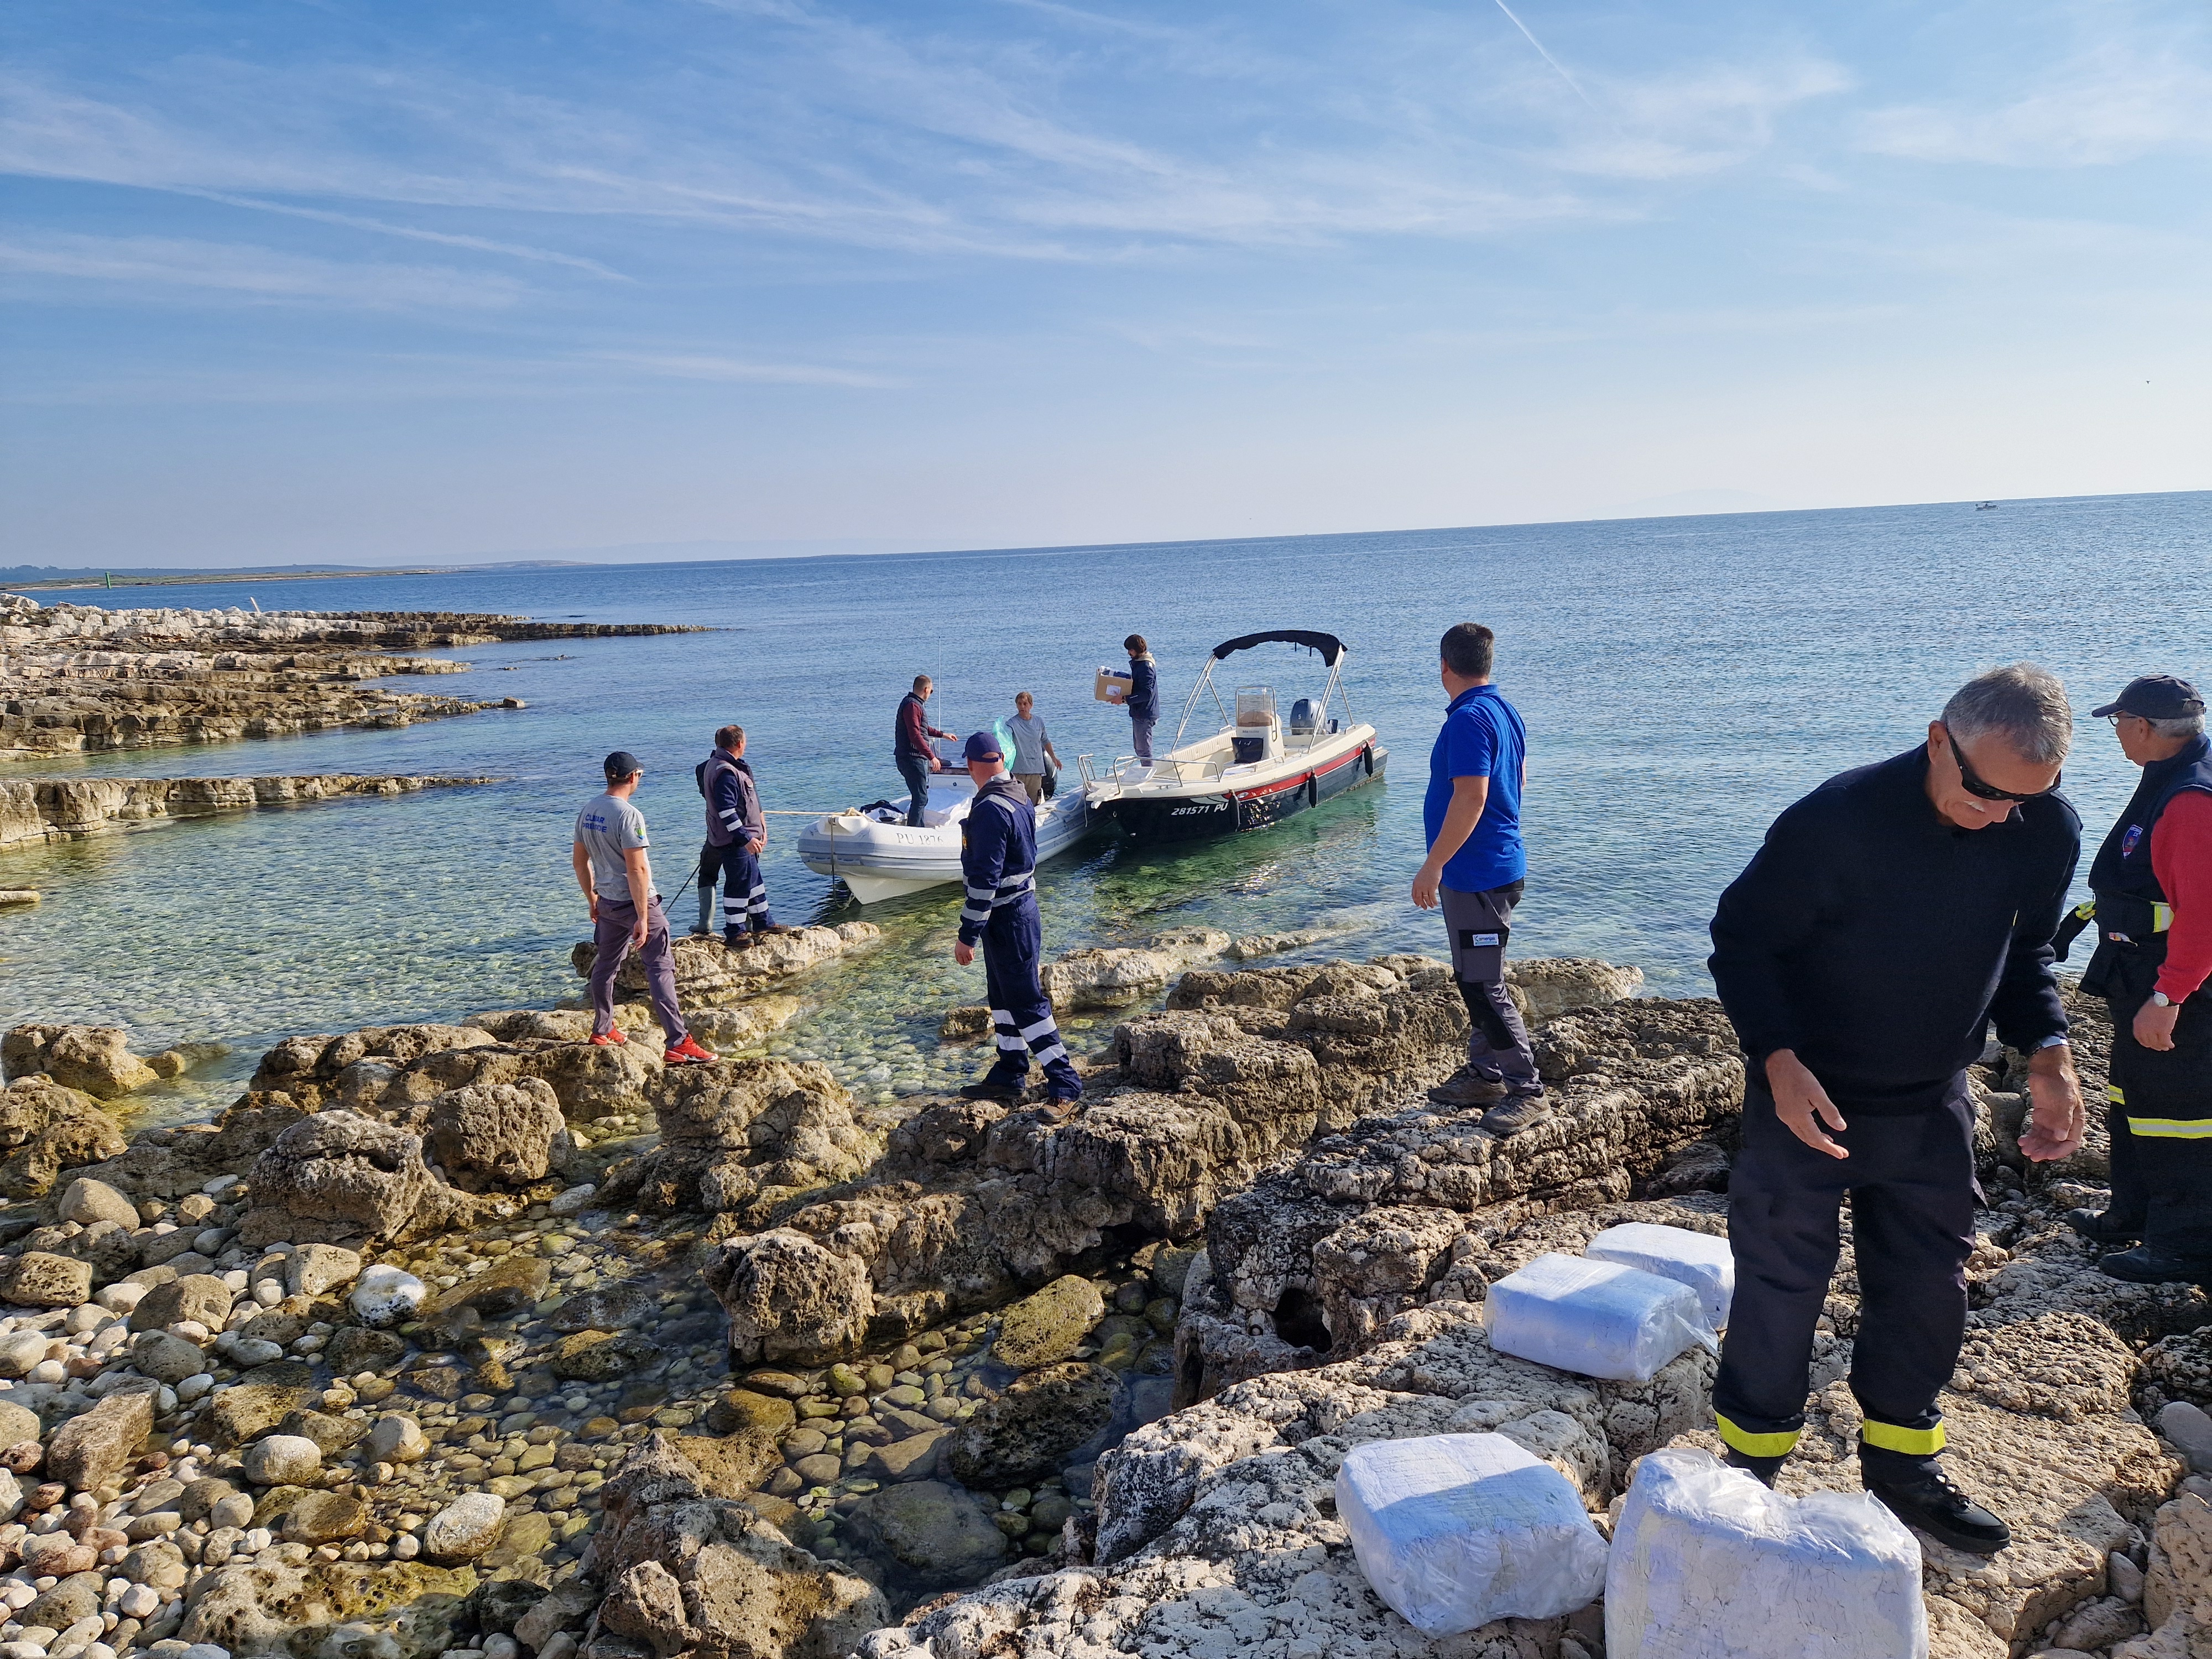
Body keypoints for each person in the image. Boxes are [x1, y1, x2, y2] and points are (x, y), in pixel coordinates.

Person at [1704, 664, 2086, 1556]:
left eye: (2026, 798)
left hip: (1932, 1105)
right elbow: (1742, 942)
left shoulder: (2042, 828)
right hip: (1810, 1101)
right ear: (1936, 741)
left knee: (1927, 1289)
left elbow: (2026, 953)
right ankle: (1748, 1472)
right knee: (1781, 1288)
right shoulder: (1834, 823)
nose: (1999, 814)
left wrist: (2052, 1055)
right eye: (1984, 790)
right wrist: (1777, 1059)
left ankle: (1902, 1469)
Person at [2061, 674, 2212, 1282]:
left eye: (2117, 722)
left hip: (2177, 985)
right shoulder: (2169, 781)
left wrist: (2168, 995)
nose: (2116, 734)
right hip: (2137, 972)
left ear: (2144, 728)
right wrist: (2076, 921)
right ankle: (2134, 1211)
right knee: (2130, 1097)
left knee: (2178, 1112)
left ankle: (2186, 1244)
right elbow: (2143, 883)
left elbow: (2202, 913)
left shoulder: (2189, 800)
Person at [1411, 623, 1544, 1133]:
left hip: (1477, 875)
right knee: (1476, 976)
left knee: (1483, 984)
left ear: (1445, 665)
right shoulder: (1504, 710)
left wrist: (1434, 864)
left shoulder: (1468, 720)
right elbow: (1520, 777)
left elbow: (1473, 796)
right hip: (1492, 868)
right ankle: (1485, 1074)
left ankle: (1526, 1090)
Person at [952, 730, 1083, 1113]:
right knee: (1002, 997)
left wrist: (967, 934)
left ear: (972, 765)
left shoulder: (991, 809)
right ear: (1003, 761)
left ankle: (1065, 1082)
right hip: (1017, 911)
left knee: (1026, 1001)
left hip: (1008, 916)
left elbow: (985, 880)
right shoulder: (1018, 793)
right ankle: (1010, 1071)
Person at [572, 751, 718, 1066]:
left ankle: (603, 1028)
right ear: (634, 777)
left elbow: (579, 861)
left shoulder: (588, 810)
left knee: (606, 966)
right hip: (636, 902)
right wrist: (642, 916)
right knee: (661, 969)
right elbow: (637, 870)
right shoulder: (628, 815)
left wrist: (592, 899)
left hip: (607, 902)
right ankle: (678, 1043)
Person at [697, 724, 788, 949]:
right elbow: (727, 811)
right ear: (740, 744)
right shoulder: (726, 772)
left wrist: (761, 828)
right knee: (738, 885)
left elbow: (750, 803)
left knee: (754, 881)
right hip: (735, 841)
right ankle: (735, 932)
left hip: (744, 837)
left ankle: (762, 922)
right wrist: (746, 838)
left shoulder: (720, 766)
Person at [895, 675, 957, 828]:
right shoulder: (913, 706)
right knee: (921, 798)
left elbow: (923, 729)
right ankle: (913, 832)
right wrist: (932, 757)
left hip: (913, 757)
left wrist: (943, 734)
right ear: (926, 689)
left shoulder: (914, 705)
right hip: (911, 757)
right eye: (932, 691)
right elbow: (915, 735)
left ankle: (920, 829)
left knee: (920, 797)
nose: (931, 694)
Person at [1005, 692, 1062, 805]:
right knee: (1018, 804)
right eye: (1019, 704)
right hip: (1018, 772)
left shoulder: (1039, 722)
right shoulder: (1012, 723)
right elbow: (1005, 737)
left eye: (1025, 704)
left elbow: (1045, 740)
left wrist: (1054, 758)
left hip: (1035, 771)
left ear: (1031, 705)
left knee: (1034, 805)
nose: (1022, 707)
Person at [1118, 635, 1159, 768]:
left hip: (1145, 713)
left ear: (1137, 649)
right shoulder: (1140, 664)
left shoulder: (1146, 667)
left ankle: (1148, 776)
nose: (1129, 653)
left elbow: (1147, 693)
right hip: (1140, 712)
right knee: (1139, 748)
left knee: (1144, 750)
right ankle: (1146, 771)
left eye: (1130, 650)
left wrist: (1125, 699)